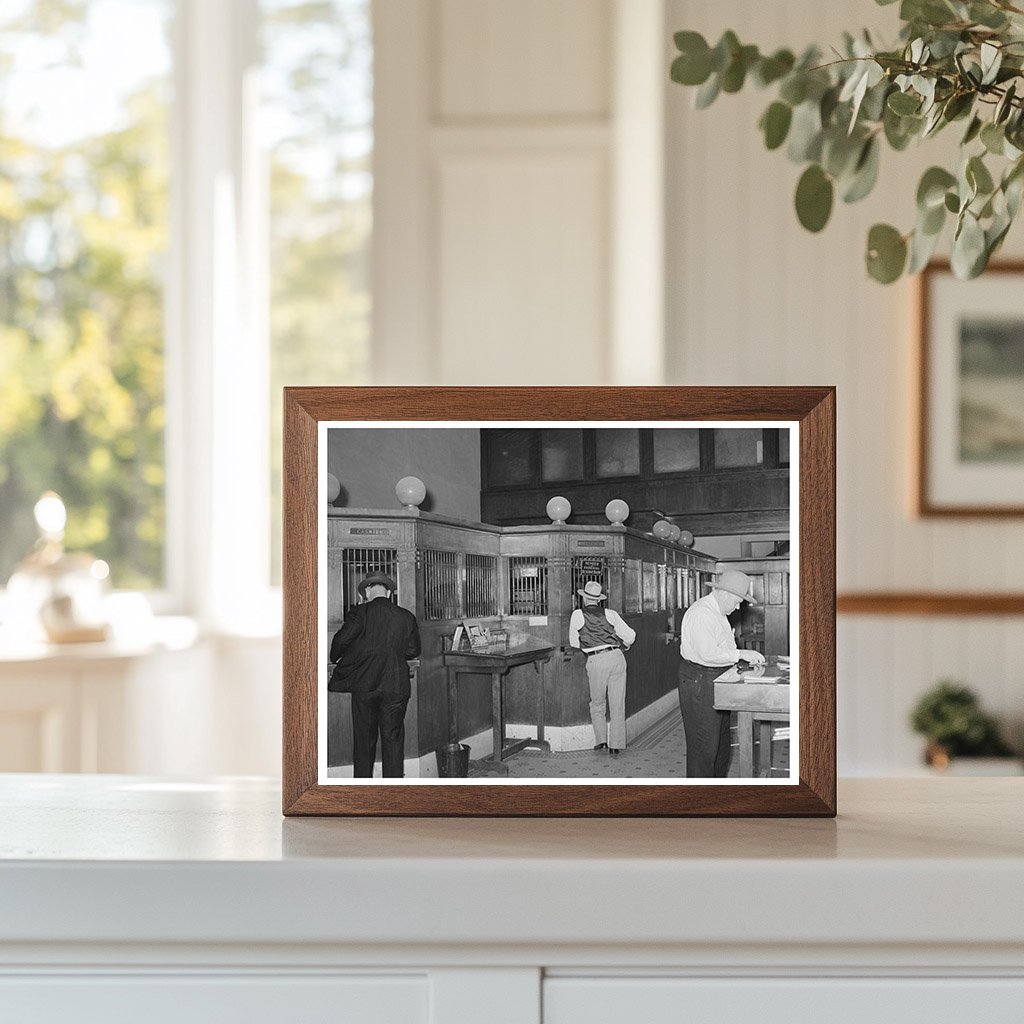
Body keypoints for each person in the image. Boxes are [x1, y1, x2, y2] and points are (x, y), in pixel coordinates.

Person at [328, 572, 421, 778]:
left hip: (364, 685)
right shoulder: (406, 616)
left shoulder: (359, 613)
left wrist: (335, 658)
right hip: (396, 685)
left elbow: (341, 641)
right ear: (389, 592)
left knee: (363, 741)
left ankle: (363, 792)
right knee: (393, 739)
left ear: (367, 591)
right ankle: (393, 794)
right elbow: (413, 650)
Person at [678, 568, 765, 778]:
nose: (737, 608)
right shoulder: (702, 613)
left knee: (720, 746)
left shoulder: (718, 612)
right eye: (736, 602)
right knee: (704, 748)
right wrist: (741, 654)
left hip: (715, 679)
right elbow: (707, 654)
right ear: (724, 593)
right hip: (701, 681)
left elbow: (723, 647)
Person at [568, 580, 636, 756]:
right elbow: (630, 635)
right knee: (617, 703)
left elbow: (573, 642)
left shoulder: (577, 614)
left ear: (584, 599)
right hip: (616, 657)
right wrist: (626, 645)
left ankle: (601, 741)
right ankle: (616, 744)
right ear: (599, 599)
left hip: (596, 660)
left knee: (597, 702)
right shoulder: (610, 613)